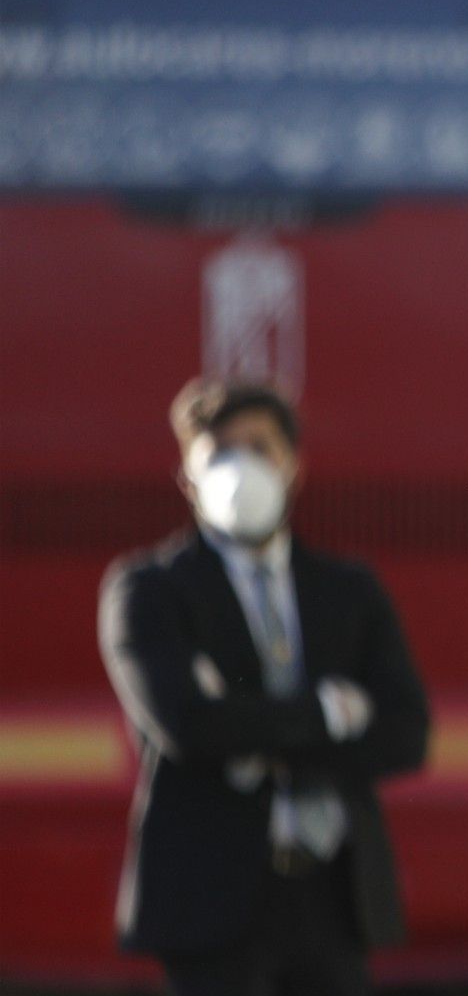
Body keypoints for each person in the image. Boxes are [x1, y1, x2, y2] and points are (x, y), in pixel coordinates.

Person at [98, 378, 432, 996]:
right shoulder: (148, 590)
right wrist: (331, 713)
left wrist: (248, 727)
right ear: (187, 477)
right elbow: (186, 726)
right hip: (211, 905)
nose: (241, 466)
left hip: (331, 895)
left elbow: (405, 734)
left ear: (293, 466)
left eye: (258, 447)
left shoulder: (349, 588)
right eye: (219, 452)